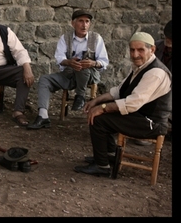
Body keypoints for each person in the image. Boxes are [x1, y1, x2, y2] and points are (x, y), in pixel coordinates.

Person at [73, 32, 171, 177]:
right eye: (132, 50)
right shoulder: (141, 66)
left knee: (99, 119)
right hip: (140, 116)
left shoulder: (155, 72)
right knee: (101, 109)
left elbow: (132, 103)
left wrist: (102, 108)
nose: (135, 54)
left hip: (151, 123)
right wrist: (97, 101)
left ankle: (102, 165)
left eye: (140, 50)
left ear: (152, 50)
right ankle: (110, 155)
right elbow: (119, 91)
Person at [27, 9, 109, 130]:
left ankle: (80, 96)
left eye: (87, 21)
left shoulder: (96, 38)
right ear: (73, 23)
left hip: (89, 76)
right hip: (70, 75)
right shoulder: (65, 38)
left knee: (82, 67)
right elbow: (60, 58)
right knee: (45, 79)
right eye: (81, 21)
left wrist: (93, 63)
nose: (84, 25)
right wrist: (69, 62)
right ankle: (43, 116)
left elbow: (104, 61)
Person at [134, 19, 172, 145]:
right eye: (167, 37)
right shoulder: (157, 46)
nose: (168, 41)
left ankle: (157, 127)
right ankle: (143, 125)